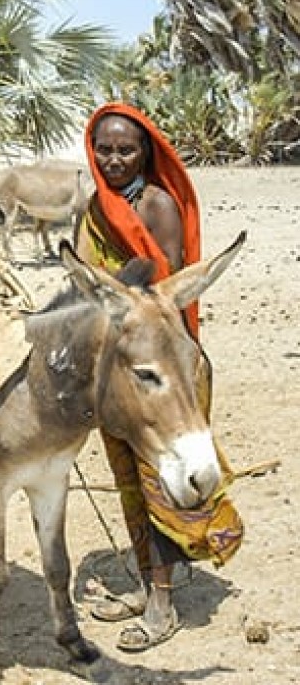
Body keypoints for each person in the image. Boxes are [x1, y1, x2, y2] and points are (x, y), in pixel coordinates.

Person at [74, 102, 243, 653]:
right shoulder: (93, 207)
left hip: (160, 367)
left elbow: (161, 285)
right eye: (106, 149)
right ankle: (148, 588)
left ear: (145, 151)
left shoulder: (157, 204)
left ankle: (163, 606)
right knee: (128, 482)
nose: (116, 158)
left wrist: (110, 290)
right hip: (117, 367)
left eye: (127, 149)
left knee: (163, 482)